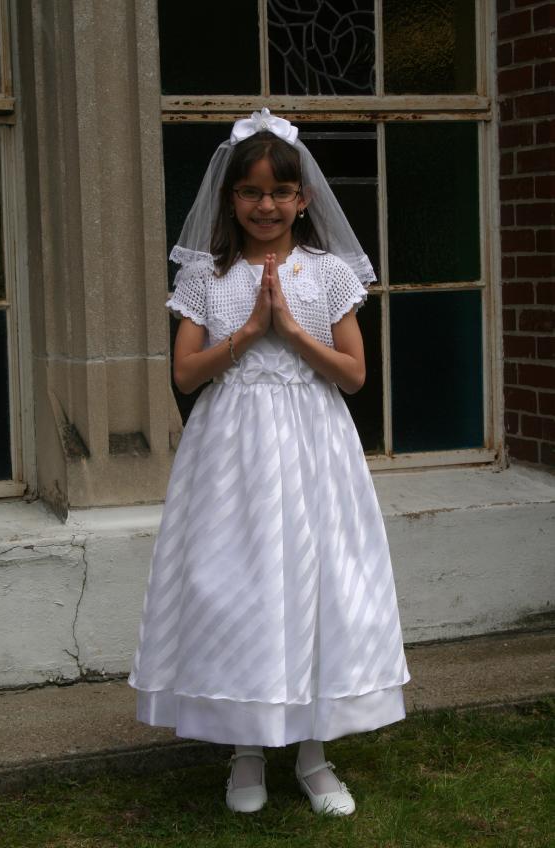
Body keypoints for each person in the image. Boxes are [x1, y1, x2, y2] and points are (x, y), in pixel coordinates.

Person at [129, 108, 410, 816]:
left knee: (318, 585)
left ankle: (314, 754)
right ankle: (246, 750)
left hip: (313, 447)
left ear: (302, 198)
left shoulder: (327, 274)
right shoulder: (207, 276)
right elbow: (186, 374)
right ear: (231, 198)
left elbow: (353, 375)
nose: (266, 206)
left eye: (280, 192)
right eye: (251, 192)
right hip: (232, 454)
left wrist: (290, 328)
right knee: (238, 586)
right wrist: (251, 330)